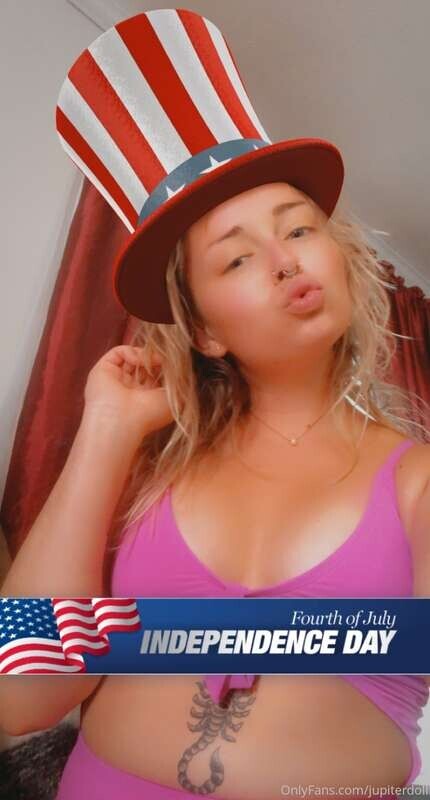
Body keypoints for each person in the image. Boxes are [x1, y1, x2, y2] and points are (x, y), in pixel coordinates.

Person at [2, 8, 430, 800]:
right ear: (202, 330)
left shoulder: (418, 482)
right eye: (236, 259)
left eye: (298, 230)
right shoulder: (152, 475)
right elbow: (20, 692)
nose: (283, 261)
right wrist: (106, 430)